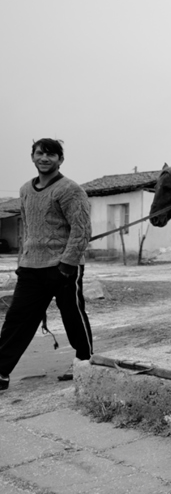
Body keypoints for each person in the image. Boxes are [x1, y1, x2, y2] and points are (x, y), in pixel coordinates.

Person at [0, 138, 93, 392]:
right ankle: (1, 371)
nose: (44, 158)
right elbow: (28, 228)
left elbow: (82, 229)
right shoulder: (25, 190)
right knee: (17, 319)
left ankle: (85, 362)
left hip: (64, 267)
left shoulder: (70, 189)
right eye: (40, 153)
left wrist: (67, 264)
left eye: (51, 154)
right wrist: (23, 260)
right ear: (32, 157)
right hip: (32, 267)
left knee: (72, 315)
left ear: (60, 160)